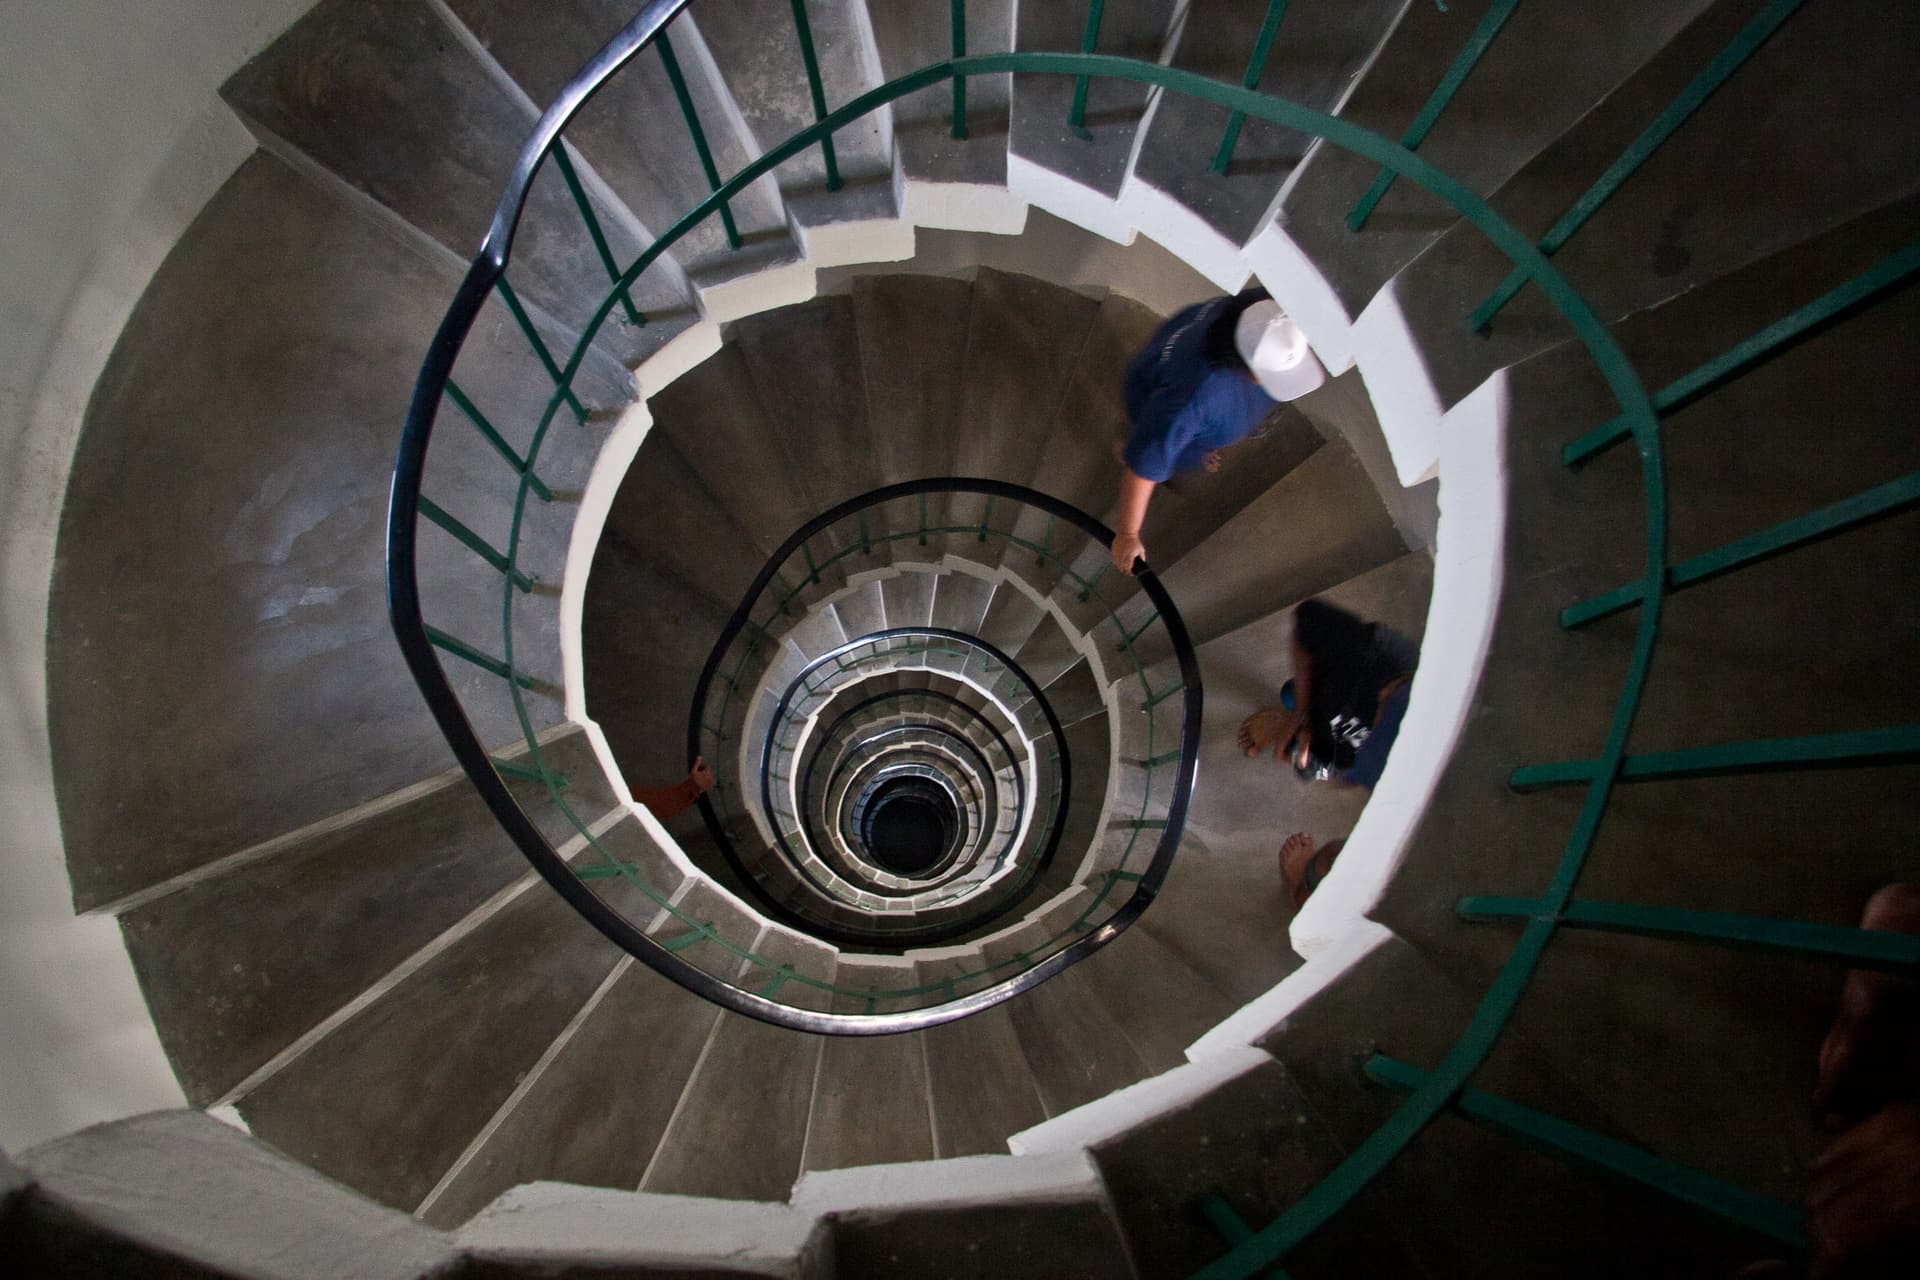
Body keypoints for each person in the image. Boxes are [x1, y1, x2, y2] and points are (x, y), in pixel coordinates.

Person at [1109, 288, 1326, 574]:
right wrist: (1127, 534)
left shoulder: (1253, 311)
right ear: (1244, 367)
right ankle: (1128, 450)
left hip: (1170, 379)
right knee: (1156, 447)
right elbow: (1145, 465)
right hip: (1165, 406)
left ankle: (1185, 450)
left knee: (1175, 442)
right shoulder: (1191, 398)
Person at [1237, 597, 1417, 791]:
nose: (1383, 695)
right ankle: (1295, 718)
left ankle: (1290, 728)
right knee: (1292, 694)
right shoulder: (1378, 655)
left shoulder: (1379, 770)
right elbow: (1307, 619)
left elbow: (1345, 775)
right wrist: (1300, 712)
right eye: (1389, 696)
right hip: (1345, 684)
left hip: (1338, 733)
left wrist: (1305, 757)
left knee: (1304, 759)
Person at [633, 756, 715, 820]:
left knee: (652, 799)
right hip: (681, 801)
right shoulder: (696, 792)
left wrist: (699, 761)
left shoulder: (694, 776)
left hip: (676, 795)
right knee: (658, 806)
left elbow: (697, 761)